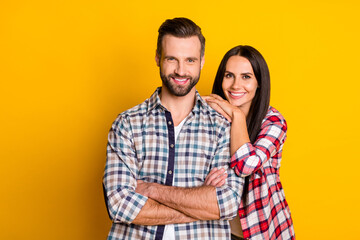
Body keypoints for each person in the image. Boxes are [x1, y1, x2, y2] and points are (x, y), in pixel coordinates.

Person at [102, 17, 243, 240]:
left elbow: (226, 204)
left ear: (202, 61)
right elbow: (120, 205)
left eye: (189, 60)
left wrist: (151, 190)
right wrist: (199, 204)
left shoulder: (223, 126)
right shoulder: (127, 124)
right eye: (171, 59)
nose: (180, 70)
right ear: (158, 58)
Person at [202, 45, 295, 240]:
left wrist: (237, 115)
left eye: (246, 77)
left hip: (261, 230)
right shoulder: (210, 118)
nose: (236, 85)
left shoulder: (274, 122)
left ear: (259, 82)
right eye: (229, 75)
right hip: (216, 230)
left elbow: (246, 165)